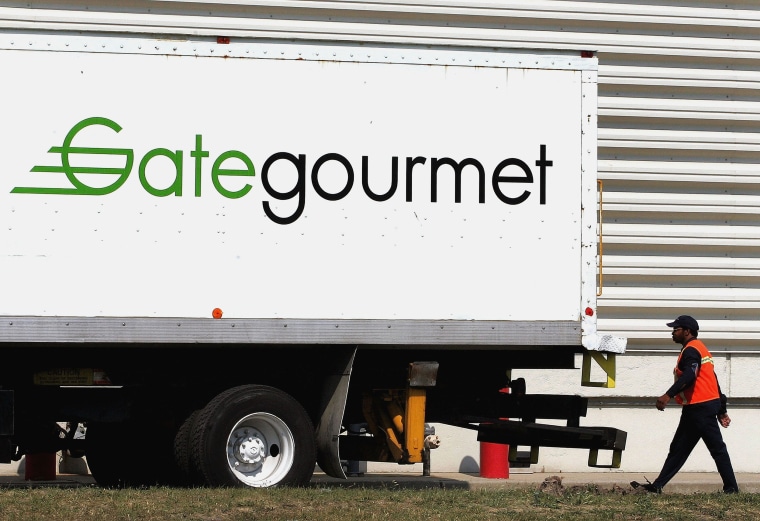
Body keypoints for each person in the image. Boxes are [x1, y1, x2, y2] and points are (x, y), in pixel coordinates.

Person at [631, 315, 739, 494]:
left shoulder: (691, 350)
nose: (673, 332)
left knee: (716, 448)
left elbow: (690, 375)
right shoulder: (700, 348)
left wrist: (668, 395)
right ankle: (657, 486)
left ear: (687, 331)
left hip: (700, 407)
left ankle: (732, 488)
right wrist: (721, 409)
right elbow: (713, 380)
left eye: (676, 329)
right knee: (679, 449)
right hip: (700, 407)